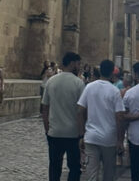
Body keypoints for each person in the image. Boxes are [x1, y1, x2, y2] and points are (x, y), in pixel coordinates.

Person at [77, 58, 124, 181]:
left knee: (91, 174)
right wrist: (120, 140)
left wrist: (81, 134)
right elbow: (119, 117)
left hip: (91, 136)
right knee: (108, 174)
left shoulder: (89, 87)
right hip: (109, 138)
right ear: (112, 72)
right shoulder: (114, 91)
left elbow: (80, 110)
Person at [41, 51, 84, 181]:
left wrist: (47, 128)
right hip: (72, 134)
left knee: (54, 167)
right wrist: (82, 133)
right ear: (71, 63)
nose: (79, 66)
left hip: (55, 132)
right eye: (78, 63)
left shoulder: (51, 81)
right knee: (75, 168)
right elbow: (81, 110)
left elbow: (45, 108)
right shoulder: (78, 83)